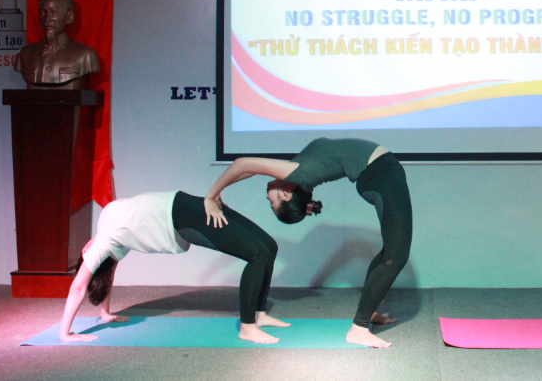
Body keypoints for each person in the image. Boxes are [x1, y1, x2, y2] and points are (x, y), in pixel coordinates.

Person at [205, 138, 412, 348]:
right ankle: (359, 329)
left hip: (381, 171)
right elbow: (244, 166)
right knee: (396, 255)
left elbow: (245, 166)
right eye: (272, 203)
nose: (268, 198)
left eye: (271, 203)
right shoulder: (299, 174)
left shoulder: (296, 173)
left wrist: (213, 196)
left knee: (391, 253)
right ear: (286, 195)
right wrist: (212, 196)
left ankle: (369, 312)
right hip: (381, 175)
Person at [59, 190, 288, 344]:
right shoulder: (107, 227)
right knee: (260, 253)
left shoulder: (105, 239)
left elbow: (95, 277)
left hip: (185, 209)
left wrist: (102, 314)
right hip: (185, 211)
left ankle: (258, 315)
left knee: (269, 247)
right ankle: (248, 327)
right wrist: (69, 332)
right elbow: (90, 281)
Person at [15, 0, 100, 89]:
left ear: (69, 17)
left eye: (53, 12)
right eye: (43, 12)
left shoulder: (85, 55)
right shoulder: (25, 54)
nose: (47, 18)